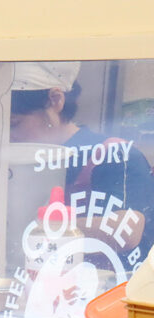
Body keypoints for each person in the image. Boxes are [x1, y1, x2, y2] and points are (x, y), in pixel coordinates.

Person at [10, 61, 154, 276]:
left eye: (15, 124)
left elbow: (129, 230)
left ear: (56, 100)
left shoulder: (115, 154)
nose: (11, 136)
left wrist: (39, 228)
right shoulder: (16, 165)